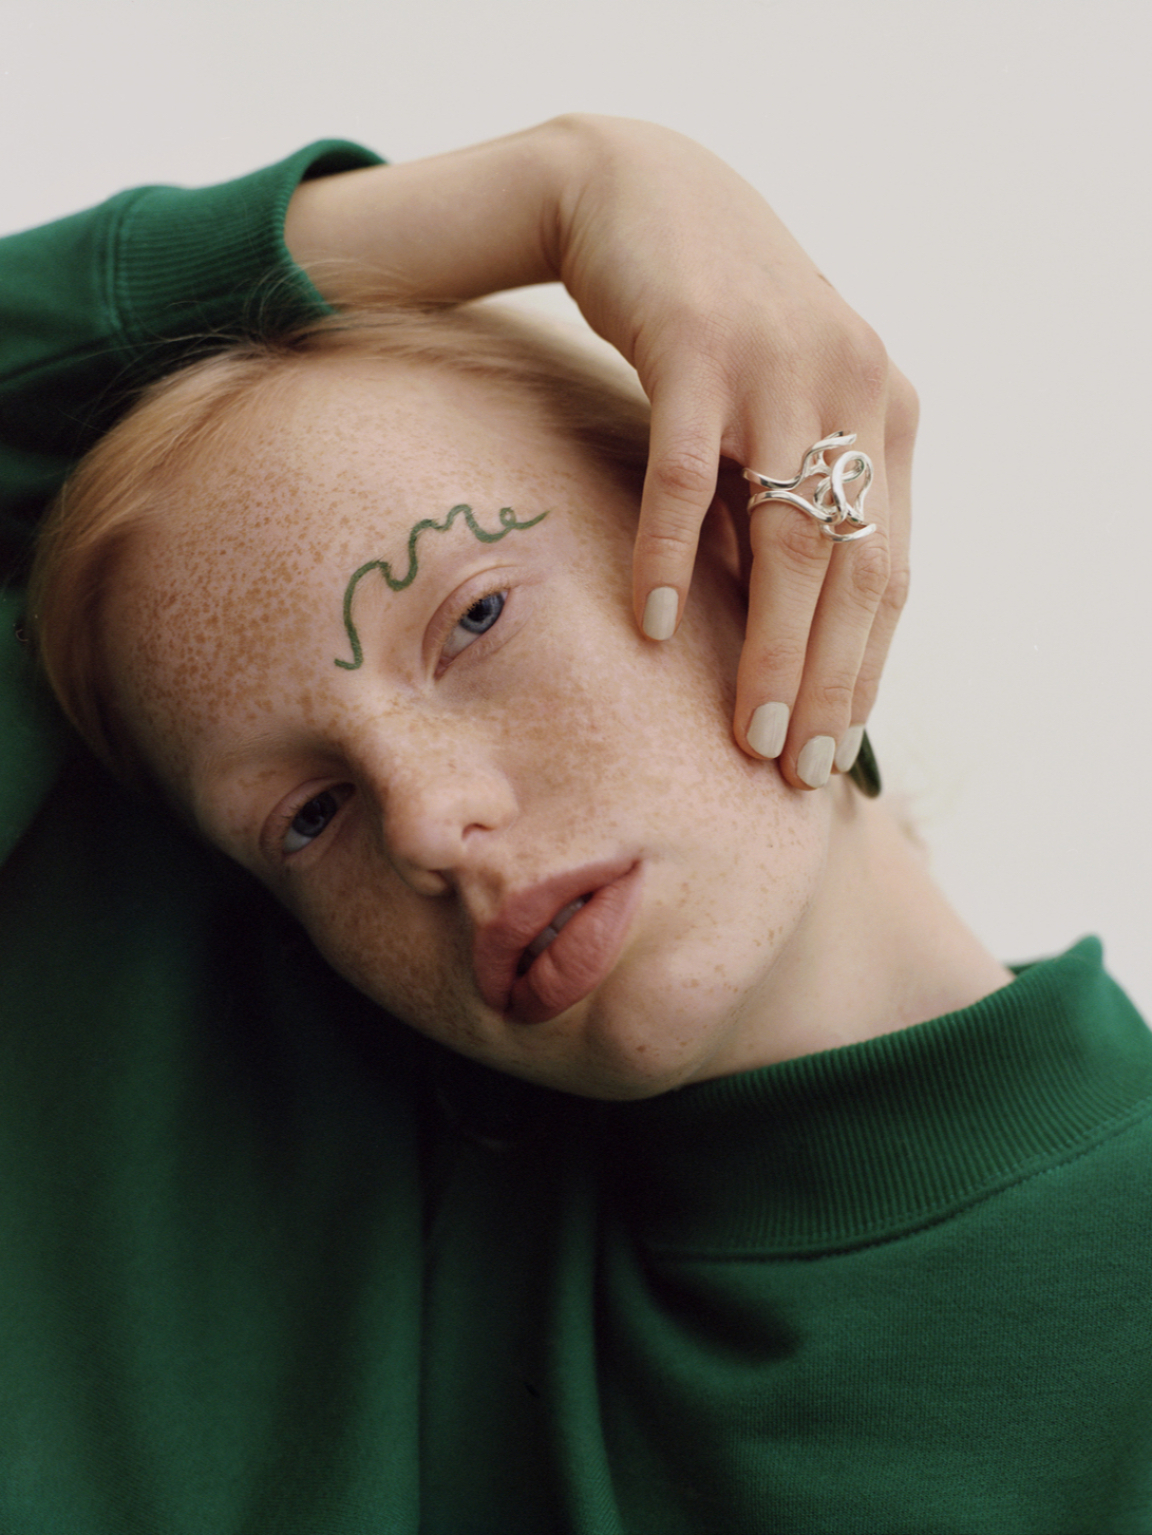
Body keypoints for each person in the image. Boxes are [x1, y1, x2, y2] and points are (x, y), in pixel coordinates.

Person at [23, 297, 1152, 1533]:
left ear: (741, 531)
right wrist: (554, 203)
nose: (425, 822)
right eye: (310, 815)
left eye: (475, 617)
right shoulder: (350, 1277)